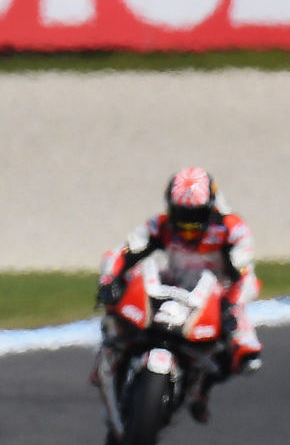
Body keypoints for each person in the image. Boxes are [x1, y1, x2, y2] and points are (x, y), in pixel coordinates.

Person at [95, 168, 261, 423]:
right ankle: (110, 352)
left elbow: (244, 275)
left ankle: (201, 387)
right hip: (172, 285)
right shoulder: (160, 224)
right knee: (122, 288)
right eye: (182, 214)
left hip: (215, 295)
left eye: (194, 215)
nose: (187, 223)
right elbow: (123, 251)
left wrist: (231, 306)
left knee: (246, 355)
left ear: (211, 207)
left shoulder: (233, 230)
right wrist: (109, 281)